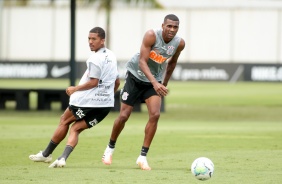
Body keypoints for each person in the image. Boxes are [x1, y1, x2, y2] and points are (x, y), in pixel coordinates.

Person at [102, 14, 185, 170]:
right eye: (169, 26)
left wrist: (163, 84)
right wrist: (155, 82)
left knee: (155, 114)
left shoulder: (179, 43)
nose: (172, 30)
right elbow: (142, 62)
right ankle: (109, 148)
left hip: (154, 82)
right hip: (135, 76)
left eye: (175, 27)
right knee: (124, 116)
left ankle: (142, 157)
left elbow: (172, 63)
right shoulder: (151, 35)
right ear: (163, 25)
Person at [29, 27, 120, 168]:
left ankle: (46, 154)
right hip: (105, 106)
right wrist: (107, 96)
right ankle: (62, 158)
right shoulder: (112, 56)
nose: (90, 42)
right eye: (89, 39)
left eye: (94, 39)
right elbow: (117, 82)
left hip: (86, 102)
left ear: (102, 40)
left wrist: (75, 88)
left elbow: (93, 82)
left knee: (64, 121)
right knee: (75, 128)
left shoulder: (94, 59)